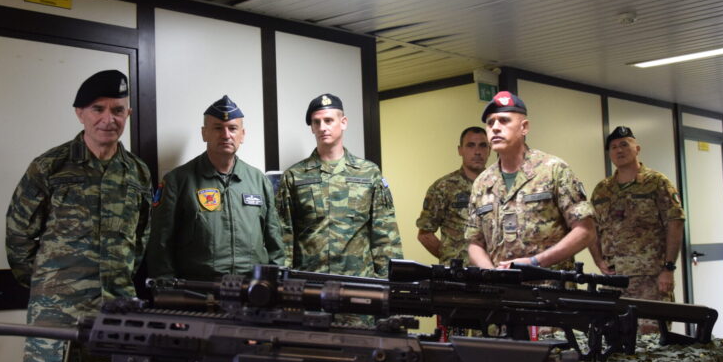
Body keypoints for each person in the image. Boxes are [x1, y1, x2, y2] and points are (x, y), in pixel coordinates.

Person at [6, 69, 152, 362]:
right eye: (98, 109)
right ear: (80, 113)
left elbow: (140, 240)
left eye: (117, 110)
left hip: (116, 315)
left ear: (128, 113)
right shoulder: (50, 166)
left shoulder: (138, 173)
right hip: (57, 317)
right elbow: (18, 236)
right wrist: (52, 286)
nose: (108, 119)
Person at [146, 95, 283, 279]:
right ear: (204, 133)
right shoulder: (177, 182)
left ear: (242, 134)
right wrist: (167, 289)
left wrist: (274, 284)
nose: (226, 135)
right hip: (199, 290)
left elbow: (275, 244)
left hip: (251, 288)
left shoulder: (259, 181)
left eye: (232, 128)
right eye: (218, 128)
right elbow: (160, 245)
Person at [277, 93, 402, 278]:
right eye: (316, 122)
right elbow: (283, 234)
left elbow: (384, 232)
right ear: (312, 127)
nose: (322, 127)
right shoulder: (294, 176)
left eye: (328, 120)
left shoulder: (368, 173)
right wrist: (282, 281)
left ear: (343, 122)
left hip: (359, 281)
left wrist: (390, 281)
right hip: (310, 281)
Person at [466, 91, 594, 270]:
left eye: (504, 120)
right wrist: (492, 274)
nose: (495, 127)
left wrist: (535, 263)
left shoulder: (553, 170)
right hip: (501, 285)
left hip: (548, 283)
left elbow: (586, 231)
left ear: (524, 127)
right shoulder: (482, 183)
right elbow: (474, 242)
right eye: (490, 123)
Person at [589, 126, 685, 300]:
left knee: (653, 319)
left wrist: (669, 268)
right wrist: (598, 260)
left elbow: (675, 223)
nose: (619, 150)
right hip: (613, 278)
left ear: (637, 149)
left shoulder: (657, 182)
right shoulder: (602, 190)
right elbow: (591, 228)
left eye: (624, 145)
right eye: (613, 147)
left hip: (651, 278)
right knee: (615, 319)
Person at [416, 126, 490, 265]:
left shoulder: (498, 186)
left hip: (491, 270)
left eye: (483, 145)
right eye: (470, 145)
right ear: (460, 150)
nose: (477, 152)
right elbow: (425, 235)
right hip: (457, 273)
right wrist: (450, 257)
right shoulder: (443, 187)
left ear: (489, 150)